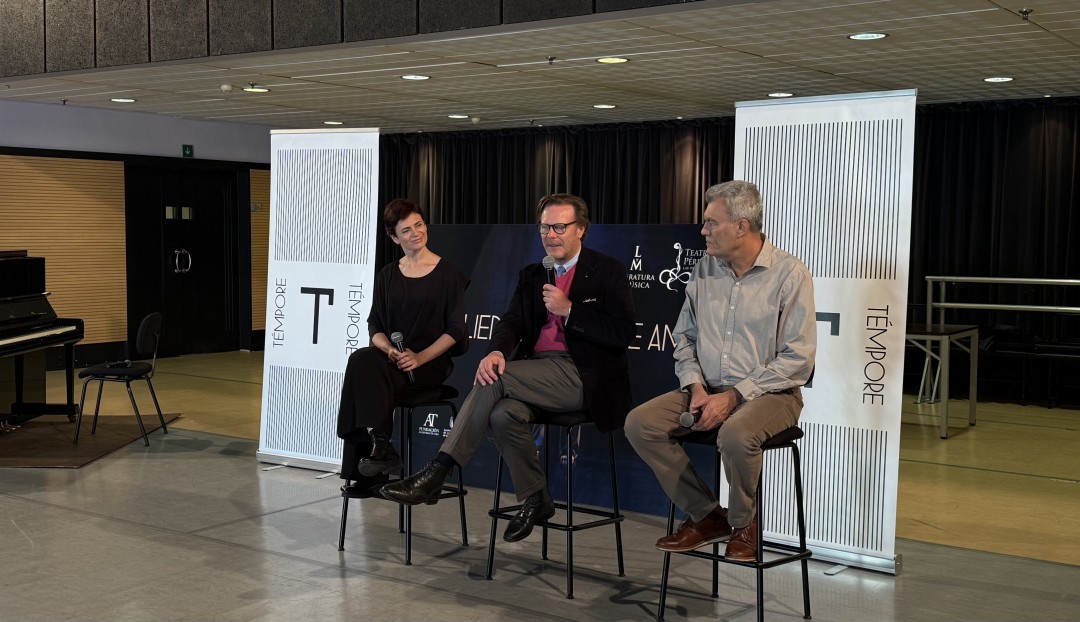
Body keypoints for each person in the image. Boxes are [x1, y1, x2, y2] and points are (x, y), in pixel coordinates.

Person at [380, 193, 636, 543]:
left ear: (582, 229)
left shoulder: (607, 270)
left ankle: (437, 473)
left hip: (583, 376)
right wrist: (497, 351)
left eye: (560, 226)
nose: (551, 234)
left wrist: (571, 311)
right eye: (545, 227)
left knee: (496, 380)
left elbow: (621, 334)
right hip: (536, 375)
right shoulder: (533, 274)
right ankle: (536, 498)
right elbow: (511, 323)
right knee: (502, 414)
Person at [625, 180, 816, 562]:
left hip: (772, 394)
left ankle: (745, 525)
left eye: (711, 223)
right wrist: (695, 387)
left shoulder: (790, 274)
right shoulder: (704, 269)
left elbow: (798, 358)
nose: (703, 231)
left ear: (742, 226)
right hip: (706, 387)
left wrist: (734, 396)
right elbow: (685, 338)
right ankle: (708, 515)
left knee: (735, 432)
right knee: (640, 423)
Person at [337, 199, 468, 497]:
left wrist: (419, 357)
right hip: (393, 361)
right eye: (406, 230)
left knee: (366, 374)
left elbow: (456, 331)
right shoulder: (387, 275)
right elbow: (375, 328)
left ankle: (374, 460)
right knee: (362, 359)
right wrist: (390, 351)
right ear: (394, 237)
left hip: (430, 364)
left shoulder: (449, 274)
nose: (416, 233)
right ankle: (381, 446)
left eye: (419, 225)